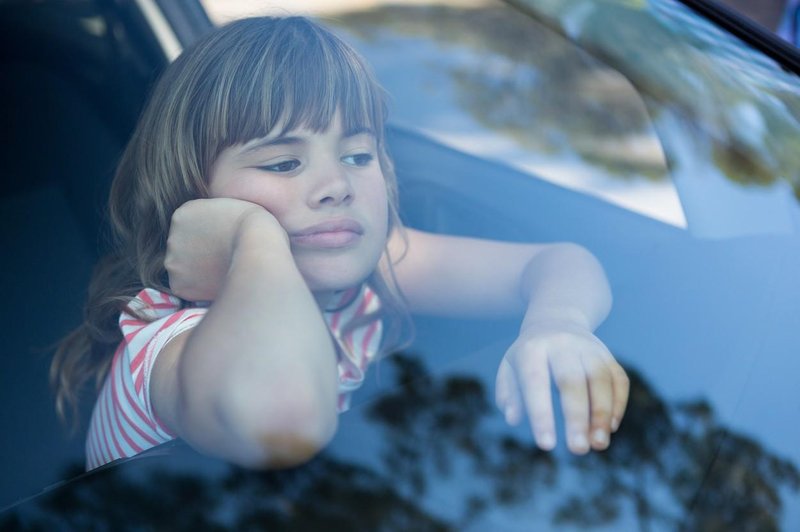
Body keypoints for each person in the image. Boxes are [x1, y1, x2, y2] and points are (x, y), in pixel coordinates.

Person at [51, 16, 629, 471]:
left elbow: (559, 263)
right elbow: (283, 415)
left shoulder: (370, 267)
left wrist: (558, 324)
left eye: (357, 155)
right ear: (195, 199)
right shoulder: (169, 343)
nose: (335, 186)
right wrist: (253, 239)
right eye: (282, 162)